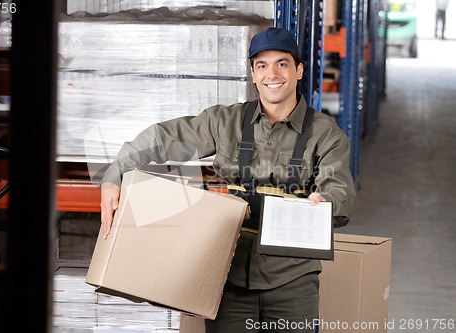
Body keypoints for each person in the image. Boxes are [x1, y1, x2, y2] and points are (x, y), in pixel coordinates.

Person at [99, 27, 357, 332]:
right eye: (261, 65)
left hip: (293, 277)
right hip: (229, 270)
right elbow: (164, 137)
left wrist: (326, 200)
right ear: (252, 74)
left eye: (282, 63)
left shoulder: (326, 134)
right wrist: (113, 175)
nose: (271, 73)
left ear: (299, 70)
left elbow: (339, 189)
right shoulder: (224, 122)